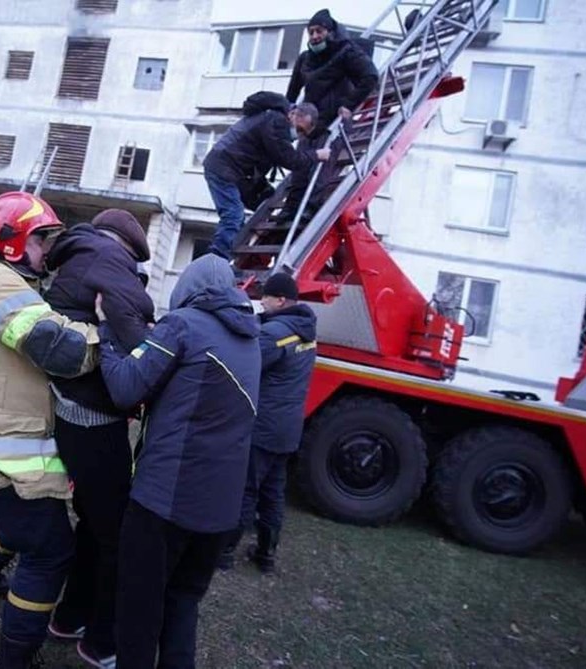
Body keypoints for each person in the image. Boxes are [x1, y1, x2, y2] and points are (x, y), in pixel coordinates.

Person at [0, 191, 100, 669]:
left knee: (17, 526)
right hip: (6, 446)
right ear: (11, 243)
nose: (46, 250)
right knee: (50, 549)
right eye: (41, 239)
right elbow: (61, 351)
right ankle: (16, 658)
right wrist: (106, 336)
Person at [96, 254, 261, 669]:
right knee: (182, 603)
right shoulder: (250, 338)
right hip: (218, 511)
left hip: (164, 502)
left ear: (188, 291)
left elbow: (125, 388)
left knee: (139, 610)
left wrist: (105, 332)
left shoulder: (183, 324)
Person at [41, 209, 155, 668]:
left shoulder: (76, 256)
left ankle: (70, 616)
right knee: (117, 534)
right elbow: (140, 341)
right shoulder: (108, 259)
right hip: (95, 418)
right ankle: (101, 642)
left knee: (92, 521)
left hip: (70, 408)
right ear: (128, 247)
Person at [217, 273, 317, 574]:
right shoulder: (307, 332)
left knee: (246, 488)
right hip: (288, 429)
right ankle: (266, 554)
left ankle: (224, 552)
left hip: (264, 427)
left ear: (281, 300)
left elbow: (245, 363)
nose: (262, 301)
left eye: (267, 297)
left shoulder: (275, 334)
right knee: (274, 491)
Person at [276, 8, 380, 223]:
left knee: (323, 168)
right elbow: (293, 90)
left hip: (334, 120)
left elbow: (370, 76)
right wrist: (288, 114)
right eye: (311, 32)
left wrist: (349, 104)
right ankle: (291, 208)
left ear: (330, 32)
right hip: (308, 121)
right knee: (301, 165)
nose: (315, 36)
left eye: (319, 31)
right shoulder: (305, 59)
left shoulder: (346, 51)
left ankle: (310, 210)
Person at [203, 96, 331, 259]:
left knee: (264, 198)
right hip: (225, 168)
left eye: (303, 134)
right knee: (233, 214)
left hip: (235, 169)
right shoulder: (277, 122)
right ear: (293, 114)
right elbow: (288, 159)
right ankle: (217, 260)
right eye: (299, 129)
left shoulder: (272, 117)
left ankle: (245, 242)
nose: (299, 136)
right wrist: (316, 155)